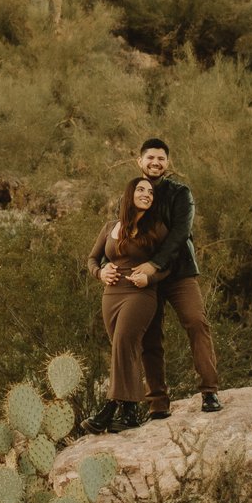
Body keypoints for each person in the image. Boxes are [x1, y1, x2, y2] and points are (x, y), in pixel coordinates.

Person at [106, 137, 222, 415]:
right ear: (140, 161)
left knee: (196, 322)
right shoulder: (131, 194)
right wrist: (103, 266)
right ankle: (157, 402)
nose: (155, 163)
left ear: (167, 163)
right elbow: (116, 233)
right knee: (150, 337)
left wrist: (155, 264)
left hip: (178, 273)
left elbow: (181, 234)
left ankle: (209, 392)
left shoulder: (180, 193)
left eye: (161, 158)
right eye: (150, 158)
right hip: (142, 280)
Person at [85, 177, 166, 432]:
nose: (147, 194)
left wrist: (150, 276)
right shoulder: (110, 226)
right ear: (129, 194)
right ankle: (130, 414)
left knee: (123, 342)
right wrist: (100, 273)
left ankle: (109, 409)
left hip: (140, 294)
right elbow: (91, 259)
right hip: (111, 295)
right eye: (141, 190)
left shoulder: (157, 229)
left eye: (151, 192)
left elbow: (170, 266)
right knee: (125, 349)